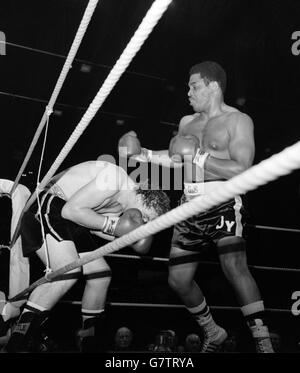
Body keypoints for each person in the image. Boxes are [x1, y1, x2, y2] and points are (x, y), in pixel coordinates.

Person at [119, 61, 274, 353]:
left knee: (234, 265)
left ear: (214, 86)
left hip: (223, 201)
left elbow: (242, 168)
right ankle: (213, 332)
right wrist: (143, 155)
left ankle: (263, 342)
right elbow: (179, 161)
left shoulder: (238, 121)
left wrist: (199, 157)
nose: (188, 92)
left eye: (194, 86)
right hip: (188, 205)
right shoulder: (186, 123)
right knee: (178, 280)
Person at [2, 160, 170, 352]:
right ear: (149, 200)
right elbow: (71, 211)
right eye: (148, 219)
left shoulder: (121, 209)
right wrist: (115, 227)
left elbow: (95, 226)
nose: (144, 224)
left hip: (70, 221)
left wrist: (124, 235)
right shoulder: (114, 179)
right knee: (69, 270)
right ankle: (18, 342)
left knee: (101, 275)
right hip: (49, 203)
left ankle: (87, 340)